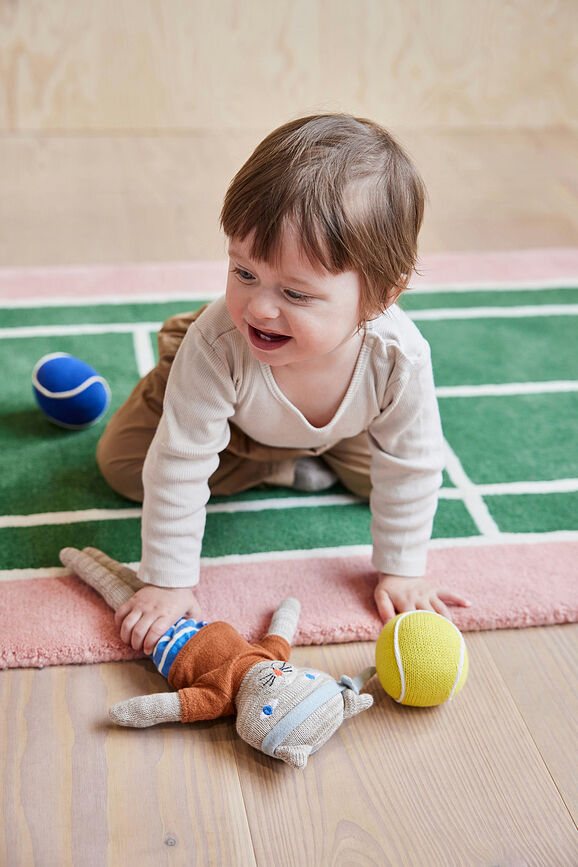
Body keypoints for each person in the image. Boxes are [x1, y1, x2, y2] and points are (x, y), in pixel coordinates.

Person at [97, 114, 470, 654]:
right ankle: (275, 464)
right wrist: (168, 581)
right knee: (124, 465)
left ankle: (288, 462)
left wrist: (403, 570)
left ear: (382, 296)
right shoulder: (219, 341)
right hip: (227, 407)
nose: (259, 308)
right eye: (244, 273)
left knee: (393, 480)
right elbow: (180, 463)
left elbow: (411, 465)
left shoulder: (398, 359)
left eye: (296, 294)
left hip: (341, 427)